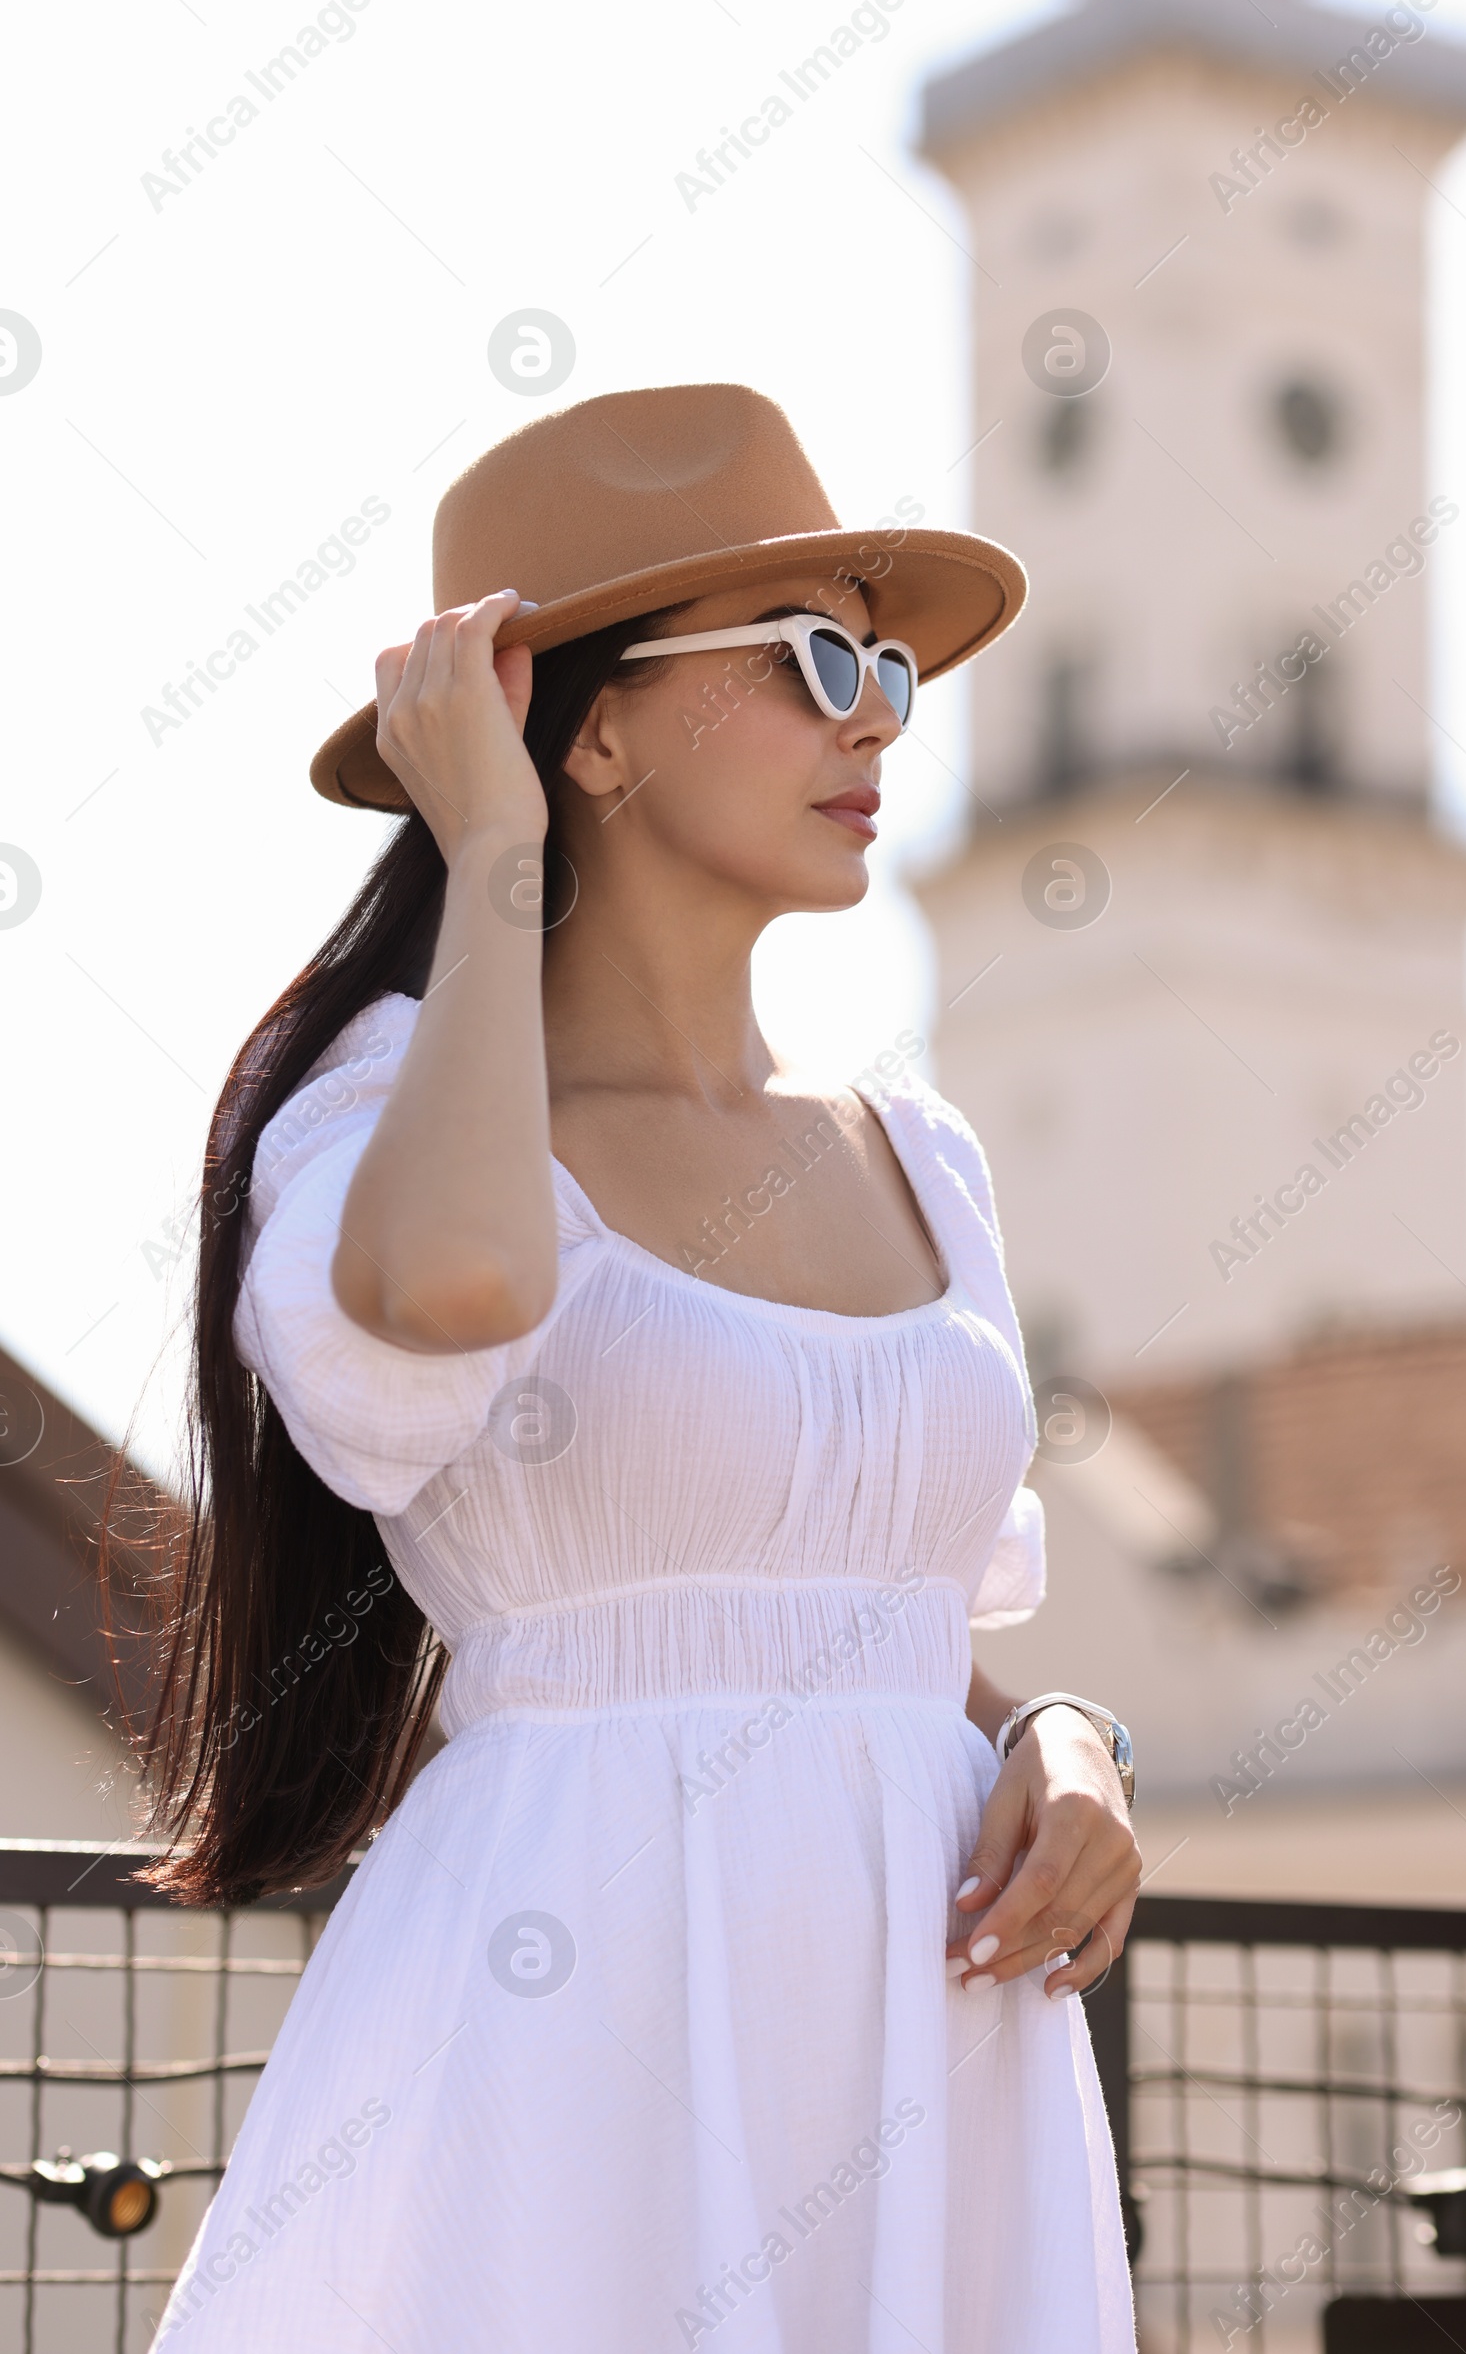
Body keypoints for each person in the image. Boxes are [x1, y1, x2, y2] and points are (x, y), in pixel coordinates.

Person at [142, 384, 1142, 2350]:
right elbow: (438, 1303)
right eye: (811, 655)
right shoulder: (381, 1118)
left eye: (886, 666)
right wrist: (490, 851)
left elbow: (868, 1608)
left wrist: (1062, 1740)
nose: (875, 714)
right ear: (585, 724)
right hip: (568, 2014)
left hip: (935, 2038)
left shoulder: (917, 1153)